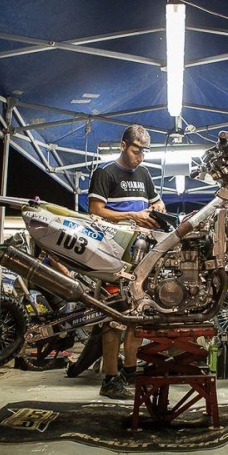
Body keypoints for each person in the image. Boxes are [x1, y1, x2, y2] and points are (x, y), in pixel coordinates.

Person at [87, 124, 166, 399]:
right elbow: (95, 210)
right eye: (135, 151)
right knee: (113, 317)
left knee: (137, 315)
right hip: (112, 253)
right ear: (123, 146)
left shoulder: (144, 174)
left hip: (142, 255)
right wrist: (132, 217)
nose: (139, 158)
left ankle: (130, 374)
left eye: (144, 152)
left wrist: (157, 209)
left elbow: (157, 203)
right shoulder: (105, 173)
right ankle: (110, 379)